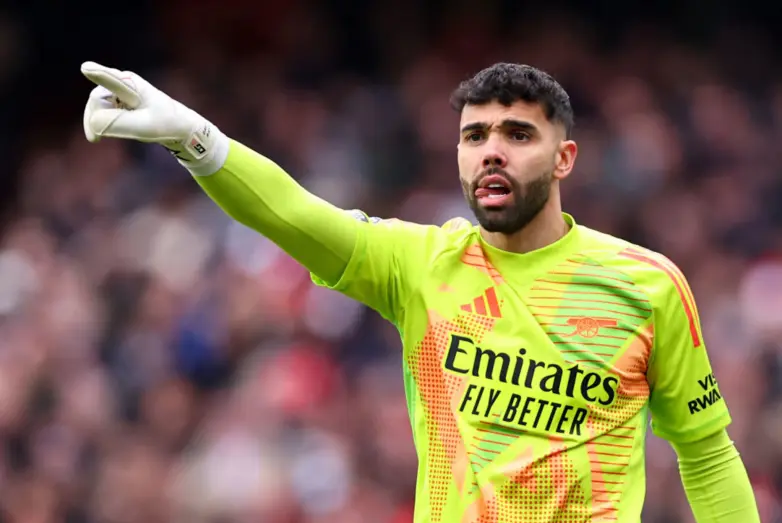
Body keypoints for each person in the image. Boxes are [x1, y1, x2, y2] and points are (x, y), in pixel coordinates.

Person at [80, 60, 760, 522]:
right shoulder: (420, 264)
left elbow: (706, 455)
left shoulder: (646, 285)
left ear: (564, 158)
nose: (492, 151)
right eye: (474, 136)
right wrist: (195, 139)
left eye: (518, 134)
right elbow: (291, 213)